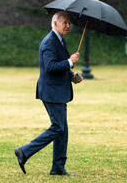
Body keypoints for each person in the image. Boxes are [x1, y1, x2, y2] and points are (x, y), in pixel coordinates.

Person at [15, 11, 82, 176]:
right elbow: (51, 67)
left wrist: (72, 75)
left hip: (58, 90)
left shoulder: (59, 41)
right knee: (58, 127)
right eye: (64, 23)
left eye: (69, 23)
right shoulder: (48, 43)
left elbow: (59, 67)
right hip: (51, 91)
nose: (68, 26)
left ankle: (58, 167)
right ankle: (24, 151)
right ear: (55, 24)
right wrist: (70, 61)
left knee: (62, 130)